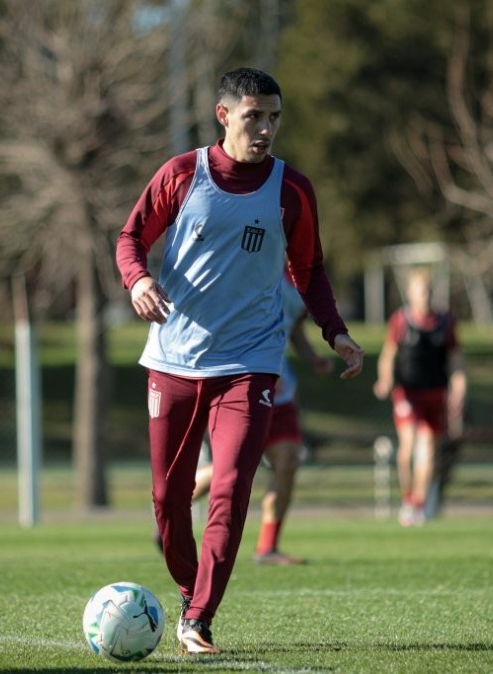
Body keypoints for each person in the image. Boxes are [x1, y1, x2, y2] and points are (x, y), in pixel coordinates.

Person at [115, 67, 364, 655]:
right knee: (168, 499)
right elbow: (130, 239)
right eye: (255, 116)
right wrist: (138, 280)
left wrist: (336, 333)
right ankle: (189, 590)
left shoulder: (291, 189)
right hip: (174, 358)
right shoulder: (182, 174)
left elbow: (309, 269)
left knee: (230, 485)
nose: (266, 128)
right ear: (224, 115)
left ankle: (199, 617)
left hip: (251, 361)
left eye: (274, 117)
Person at [191, 272, 334, 565]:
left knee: (288, 460)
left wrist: (312, 358)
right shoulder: (245, 266)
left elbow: (293, 328)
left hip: (281, 393)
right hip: (241, 387)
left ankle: (268, 547)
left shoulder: (300, 280)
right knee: (230, 468)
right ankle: (171, 509)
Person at [373, 268, 467, 526]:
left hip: (435, 392)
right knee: (408, 444)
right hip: (408, 392)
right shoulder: (401, 320)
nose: (425, 296)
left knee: (428, 450)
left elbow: (456, 360)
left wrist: (459, 388)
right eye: (421, 291)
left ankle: (419, 503)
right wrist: (385, 380)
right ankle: (407, 498)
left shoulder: (445, 322)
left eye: (428, 291)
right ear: (411, 293)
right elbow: (388, 354)